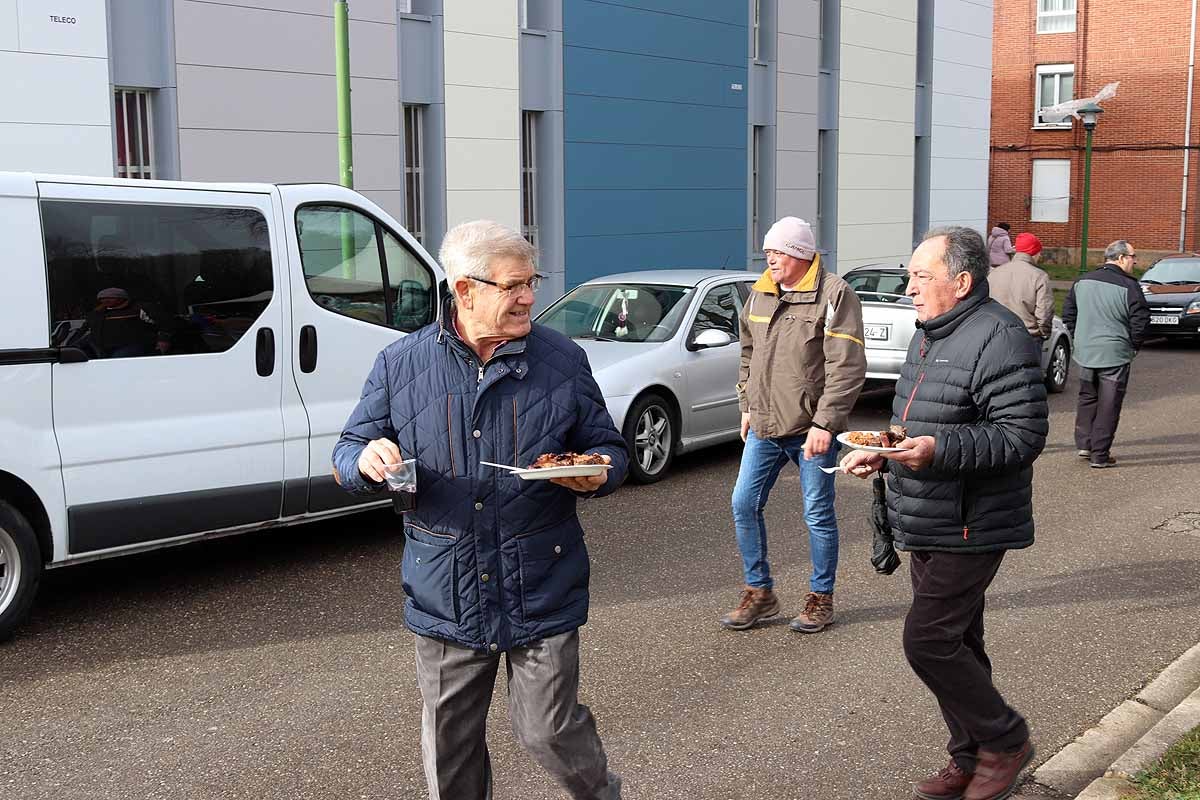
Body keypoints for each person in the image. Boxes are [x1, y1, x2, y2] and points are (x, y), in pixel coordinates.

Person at [332, 220, 628, 800]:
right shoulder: (400, 365)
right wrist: (366, 458)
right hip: (447, 590)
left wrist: (597, 472)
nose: (527, 297)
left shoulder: (561, 360)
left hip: (541, 580)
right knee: (450, 750)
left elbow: (610, 449)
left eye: (530, 283)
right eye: (512, 285)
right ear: (464, 290)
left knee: (547, 731)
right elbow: (346, 451)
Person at [841, 226, 1048, 800]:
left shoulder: (1000, 335)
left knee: (928, 641)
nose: (908, 287)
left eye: (919, 276)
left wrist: (935, 452)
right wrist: (883, 453)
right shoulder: (930, 332)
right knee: (961, 642)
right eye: (909, 276)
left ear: (961, 282)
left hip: (972, 520)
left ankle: (1006, 742)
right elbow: (922, 421)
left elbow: (1021, 435)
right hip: (926, 513)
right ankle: (970, 754)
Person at [721, 216, 866, 634]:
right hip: (765, 426)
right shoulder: (760, 293)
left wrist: (826, 423)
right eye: (767, 251)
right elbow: (748, 352)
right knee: (743, 504)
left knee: (817, 514)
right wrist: (747, 404)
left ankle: (821, 598)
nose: (769, 258)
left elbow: (848, 366)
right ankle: (760, 592)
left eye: (778, 251)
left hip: (811, 430)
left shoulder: (835, 294)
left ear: (801, 254)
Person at [1061, 240, 1150, 469]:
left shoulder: (1082, 281)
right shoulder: (1129, 286)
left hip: (1086, 352)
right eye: (1133, 256)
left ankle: (1084, 444)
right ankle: (1100, 454)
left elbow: (1069, 312)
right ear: (1121, 258)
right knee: (1109, 404)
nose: (1135, 261)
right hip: (1115, 353)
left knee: (1088, 397)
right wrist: (1133, 346)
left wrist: (1077, 336)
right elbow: (1140, 320)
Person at [989, 232, 1054, 340]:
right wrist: (1044, 333)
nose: (1040, 256)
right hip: (1027, 335)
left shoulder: (994, 273)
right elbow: (1044, 311)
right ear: (1035, 253)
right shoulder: (1039, 276)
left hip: (996, 333)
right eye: (1039, 253)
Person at [84, 287, 156, 358]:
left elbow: (157, 324)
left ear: (121, 298)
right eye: (102, 299)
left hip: (130, 346)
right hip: (102, 348)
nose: (105, 300)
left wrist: (162, 338)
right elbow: (85, 328)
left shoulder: (137, 309)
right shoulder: (97, 313)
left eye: (110, 298)